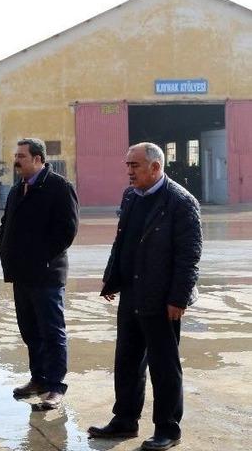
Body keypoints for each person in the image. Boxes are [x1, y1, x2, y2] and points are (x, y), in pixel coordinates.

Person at [88, 143, 201, 451]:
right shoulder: (131, 197)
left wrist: (178, 299)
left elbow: (189, 257)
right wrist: (113, 279)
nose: (129, 172)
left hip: (162, 300)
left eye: (135, 166)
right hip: (132, 293)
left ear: (155, 167)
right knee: (126, 362)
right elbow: (122, 240)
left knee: (164, 367)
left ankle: (167, 429)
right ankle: (124, 420)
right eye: (127, 165)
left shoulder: (181, 202)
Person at [0, 137, 79, 410]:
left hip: (46, 275)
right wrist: (5, 252)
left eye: (21, 155)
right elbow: (5, 224)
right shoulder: (17, 189)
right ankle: (39, 378)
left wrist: (39, 258)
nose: (16, 160)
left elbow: (67, 231)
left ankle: (55, 386)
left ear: (37, 159)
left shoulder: (59, 188)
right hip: (21, 274)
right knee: (30, 330)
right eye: (16, 155)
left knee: (51, 331)